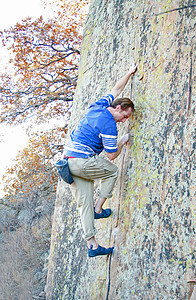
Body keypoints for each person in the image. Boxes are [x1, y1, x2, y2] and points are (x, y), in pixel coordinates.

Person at [63, 63, 137, 257]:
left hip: (68, 163)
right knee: (112, 171)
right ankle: (98, 208)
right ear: (119, 108)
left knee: (83, 205)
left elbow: (116, 89)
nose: (123, 121)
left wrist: (129, 72)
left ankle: (92, 246)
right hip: (82, 161)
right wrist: (121, 141)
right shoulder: (109, 125)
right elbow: (112, 156)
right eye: (124, 116)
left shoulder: (98, 106)